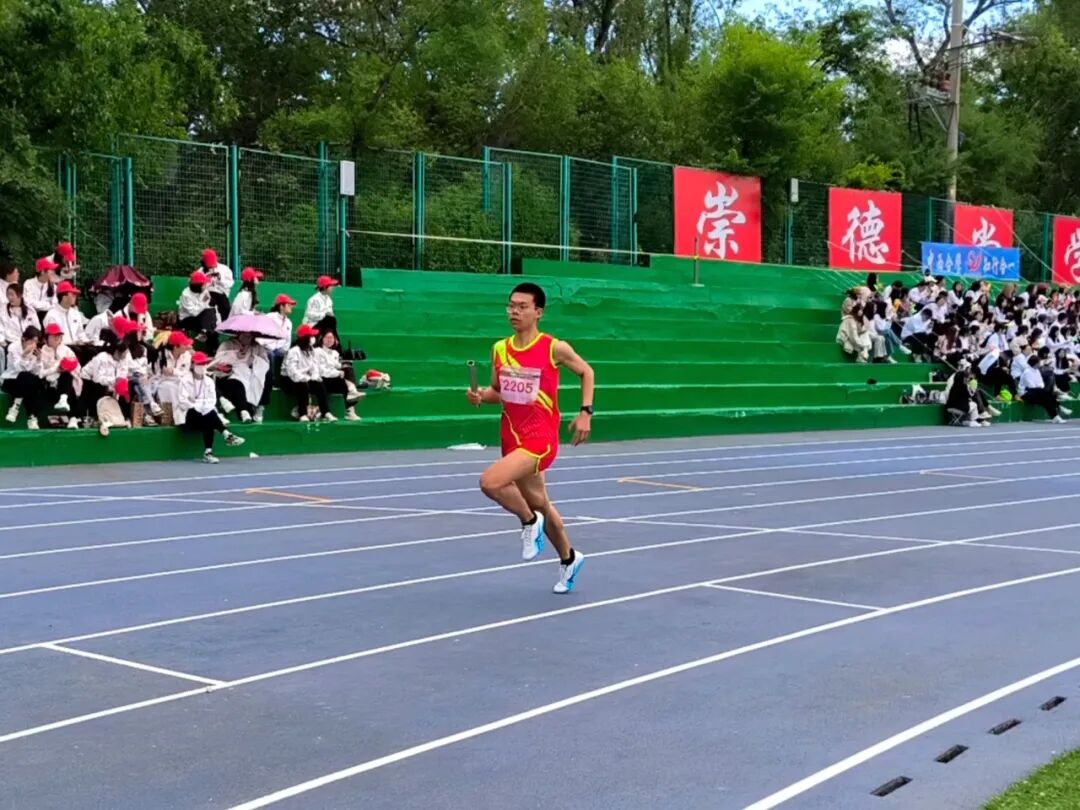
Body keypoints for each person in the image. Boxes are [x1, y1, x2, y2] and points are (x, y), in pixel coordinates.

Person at [466, 282, 594, 594]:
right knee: (541, 503)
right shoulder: (500, 349)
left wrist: (585, 412)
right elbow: (498, 392)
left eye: (522, 307)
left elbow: (587, 372)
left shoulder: (553, 348)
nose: (514, 311)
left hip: (541, 438)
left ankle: (527, 521)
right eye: (511, 306)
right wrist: (481, 396)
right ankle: (569, 558)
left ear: (538, 312)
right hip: (512, 436)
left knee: (490, 482)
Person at [176, 351, 245, 463]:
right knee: (209, 414)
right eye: (199, 364)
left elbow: (212, 400)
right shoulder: (184, 381)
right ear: (192, 365)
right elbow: (183, 401)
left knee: (208, 416)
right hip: (189, 417)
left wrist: (197, 402)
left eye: (204, 364)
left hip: (205, 415)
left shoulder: (209, 381)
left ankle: (209, 452)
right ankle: (226, 434)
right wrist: (199, 405)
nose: (202, 366)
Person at [212, 331, 269, 423]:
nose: (247, 338)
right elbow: (218, 363)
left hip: (249, 375)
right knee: (237, 384)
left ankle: (258, 407)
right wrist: (233, 357)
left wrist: (254, 361)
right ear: (239, 334)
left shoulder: (257, 347)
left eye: (250, 336)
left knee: (267, 377)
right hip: (227, 376)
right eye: (244, 335)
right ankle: (243, 411)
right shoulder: (227, 345)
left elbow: (264, 363)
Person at [282, 324, 331, 421]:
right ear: (305, 338)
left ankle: (326, 412)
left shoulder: (311, 351)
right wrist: (304, 378)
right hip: (289, 380)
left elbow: (314, 367)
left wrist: (314, 377)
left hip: (306, 378)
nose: (313, 338)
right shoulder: (293, 351)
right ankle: (302, 414)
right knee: (302, 385)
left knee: (319, 384)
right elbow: (292, 371)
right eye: (310, 336)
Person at [314, 330, 364, 421]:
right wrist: (337, 373)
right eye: (327, 337)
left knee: (347, 370)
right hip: (321, 380)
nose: (329, 340)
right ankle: (352, 389)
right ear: (322, 339)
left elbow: (336, 366)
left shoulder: (335, 353)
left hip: (333, 379)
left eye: (331, 338)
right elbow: (321, 370)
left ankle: (350, 411)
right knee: (343, 380)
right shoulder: (317, 351)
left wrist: (342, 368)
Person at [3, 326, 44, 429]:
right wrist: (24, 355)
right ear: (24, 339)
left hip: (27, 381)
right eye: (31, 341)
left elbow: (37, 372)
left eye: (35, 342)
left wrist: (39, 360)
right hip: (12, 380)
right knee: (26, 377)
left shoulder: (35, 351)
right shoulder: (13, 347)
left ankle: (15, 406)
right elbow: (18, 368)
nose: (33, 345)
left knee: (34, 380)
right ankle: (32, 417)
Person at [201, 249, 234, 322]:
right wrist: (206, 280)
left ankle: (225, 325)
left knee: (225, 308)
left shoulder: (225, 269)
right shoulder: (201, 271)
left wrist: (220, 278)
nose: (211, 267)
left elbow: (230, 284)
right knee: (202, 305)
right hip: (206, 293)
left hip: (221, 293)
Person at [24, 257, 59, 326]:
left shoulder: (54, 287)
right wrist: (48, 304)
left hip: (47, 318)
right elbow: (28, 302)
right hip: (30, 318)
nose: (53, 272)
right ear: (42, 272)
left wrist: (39, 305)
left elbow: (55, 305)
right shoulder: (29, 283)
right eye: (51, 270)